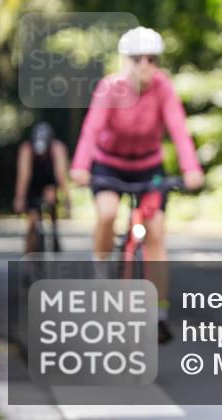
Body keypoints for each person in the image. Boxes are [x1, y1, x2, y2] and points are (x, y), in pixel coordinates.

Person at [69, 27, 204, 344]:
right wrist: (79, 166)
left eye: (152, 58)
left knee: (156, 231)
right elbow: (91, 129)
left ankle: (158, 312)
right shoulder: (109, 88)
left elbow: (179, 131)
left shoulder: (163, 88)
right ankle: (101, 269)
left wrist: (191, 169)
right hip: (109, 164)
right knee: (106, 213)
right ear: (124, 61)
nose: (145, 64)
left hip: (148, 168)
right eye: (136, 58)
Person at [13, 122, 71, 254]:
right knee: (32, 221)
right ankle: (29, 256)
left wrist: (67, 199)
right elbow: (24, 175)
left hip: (50, 180)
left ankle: (54, 229)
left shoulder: (57, 148)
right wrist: (19, 198)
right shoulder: (26, 149)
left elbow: (61, 176)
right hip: (33, 183)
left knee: (51, 198)